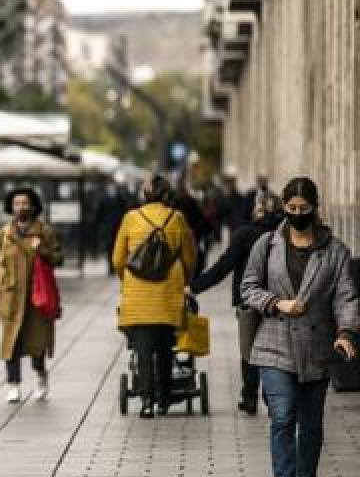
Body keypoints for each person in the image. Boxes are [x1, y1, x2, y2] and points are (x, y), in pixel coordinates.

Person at [241, 177, 358, 477]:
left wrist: (346, 333)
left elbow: (346, 297)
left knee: (311, 422)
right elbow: (248, 288)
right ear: (283, 209)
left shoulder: (335, 251)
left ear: (315, 209)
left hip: (316, 347)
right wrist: (277, 303)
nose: (296, 215)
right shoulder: (267, 244)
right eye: (290, 209)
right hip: (273, 342)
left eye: (303, 210)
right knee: (282, 413)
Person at [113, 174, 197, 419]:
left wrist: (126, 279)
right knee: (164, 347)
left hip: (138, 293)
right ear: (167, 194)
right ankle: (163, 399)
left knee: (142, 349)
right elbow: (189, 256)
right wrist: (186, 278)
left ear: (144, 194)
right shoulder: (177, 218)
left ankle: (146, 401)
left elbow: (117, 259)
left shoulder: (130, 218)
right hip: (168, 292)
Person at [190, 192, 284, 414]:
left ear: (257, 210)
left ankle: (249, 397)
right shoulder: (284, 234)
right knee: (277, 353)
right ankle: (272, 400)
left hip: (249, 302)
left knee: (249, 352)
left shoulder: (245, 234)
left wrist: (194, 287)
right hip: (279, 302)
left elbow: (223, 267)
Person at [0, 187, 64, 404]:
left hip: (36, 297)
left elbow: (59, 259)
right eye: (16, 203)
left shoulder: (44, 232)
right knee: (11, 342)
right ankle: (13, 385)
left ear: (33, 206)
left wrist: (42, 250)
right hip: (11, 296)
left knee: (36, 342)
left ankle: (40, 377)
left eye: (25, 203)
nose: (21, 207)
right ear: (11, 207)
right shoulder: (5, 233)